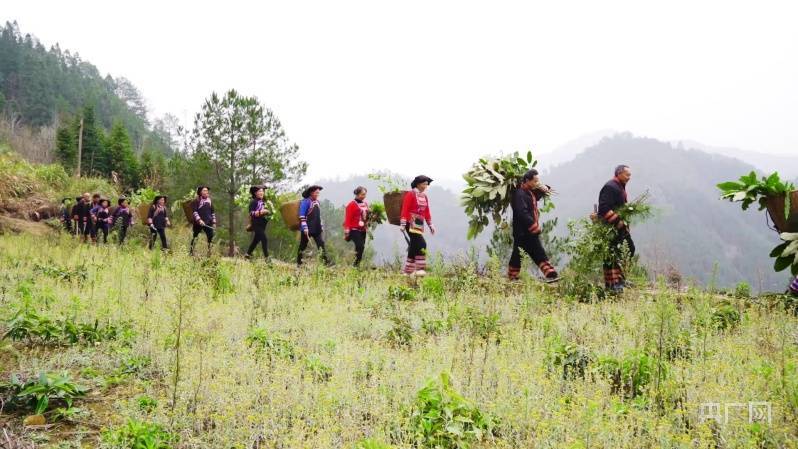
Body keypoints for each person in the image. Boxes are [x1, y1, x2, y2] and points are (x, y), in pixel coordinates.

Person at [508, 169, 559, 282]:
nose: (537, 183)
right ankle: (513, 276)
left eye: (538, 181)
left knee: (533, 252)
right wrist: (533, 226)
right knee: (523, 253)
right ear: (527, 180)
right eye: (535, 181)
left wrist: (545, 187)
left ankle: (550, 273)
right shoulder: (519, 194)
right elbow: (522, 213)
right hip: (523, 232)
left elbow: (539, 194)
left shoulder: (530, 192)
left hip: (528, 232)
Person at [597, 164, 635, 293]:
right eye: (627, 174)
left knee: (629, 248)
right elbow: (603, 208)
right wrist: (617, 221)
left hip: (620, 227)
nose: (629, 177)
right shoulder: (610, 186)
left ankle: (620, 279)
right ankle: (612, 284)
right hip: (610, 227)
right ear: (619, 173)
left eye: (630, 175)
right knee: (611, 254)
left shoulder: (619, 187)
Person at [400, 175, 436, 276]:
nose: (426, 186)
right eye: (424, 184)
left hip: (418, 222)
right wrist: (403, 223)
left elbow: (427, 211)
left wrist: (430, 225)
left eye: (426, 184)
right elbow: (405, 208)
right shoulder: (410, 194)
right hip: (409, 221)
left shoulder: (424, 196)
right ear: (418, 184)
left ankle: (408, 271)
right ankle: (420, 269)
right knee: (421, 244)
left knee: (414, 245)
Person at [297, 185, 330, 266]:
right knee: (303, 245)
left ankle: (325, 262)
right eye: (316, 193)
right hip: (307, 228)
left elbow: (318, 216)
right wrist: (305, 228)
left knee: (321, 244)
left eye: (318, 193)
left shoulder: (317, 202)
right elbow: (302, 215)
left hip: (316, 228)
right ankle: (299, 262)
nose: (318, 194)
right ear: (311, 193)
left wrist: (321, 226)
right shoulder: (305, 202)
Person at [344, 186, 370, 267]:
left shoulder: (365, 204)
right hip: (354, 229)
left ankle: (356, 265)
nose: (364, 196)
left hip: (363, 229)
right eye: (362, 194)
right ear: (357, 194)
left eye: (365, 194)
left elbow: (367, 215)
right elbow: (348, 218)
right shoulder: (351, 204)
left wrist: (371, 217)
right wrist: (347, 230)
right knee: (360, 246)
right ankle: (355, 265)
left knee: (361, 248)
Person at [245, 185, 271, 260]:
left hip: (263, 224)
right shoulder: (253, 202)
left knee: (256, 240)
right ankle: (267, 258)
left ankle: (248, 254)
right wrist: (261, 212)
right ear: (255, 193)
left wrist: (268, 212)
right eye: (259, 191)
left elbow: (268, 211)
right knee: (264, 239)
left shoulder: (264, 202)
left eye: (262, 191)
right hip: (256, 223)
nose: (261, 192)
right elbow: (251, 213)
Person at [189, 186, 216, 256]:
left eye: (207, 191)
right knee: (195, 237)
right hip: (198, 223)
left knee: (210, 237)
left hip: (208, 222)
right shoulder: (196, 201)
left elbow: (212, 212)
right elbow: (194, 212)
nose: (206, 192)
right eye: (204, 190)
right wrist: (199, 220)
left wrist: (214, 222)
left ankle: (209, 253)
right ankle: (191, 252)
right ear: (200, 192)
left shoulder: (209, 201)